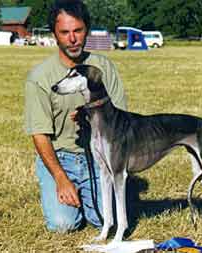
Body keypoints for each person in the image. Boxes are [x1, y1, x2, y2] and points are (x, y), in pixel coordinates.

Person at [24, 0, 127, 233]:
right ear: (54, 35)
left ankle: (97, 197)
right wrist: (60, 177)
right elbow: (39, 134)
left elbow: (120, 120)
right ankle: (61, 189)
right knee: (63, 224)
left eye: (78, 31)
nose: (72, 39)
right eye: (64, 32)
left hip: (98, 156)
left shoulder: (103, 68)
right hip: (61, 158)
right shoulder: (40, 77)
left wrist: (89, 117)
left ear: (86, 30)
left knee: (103, 221)